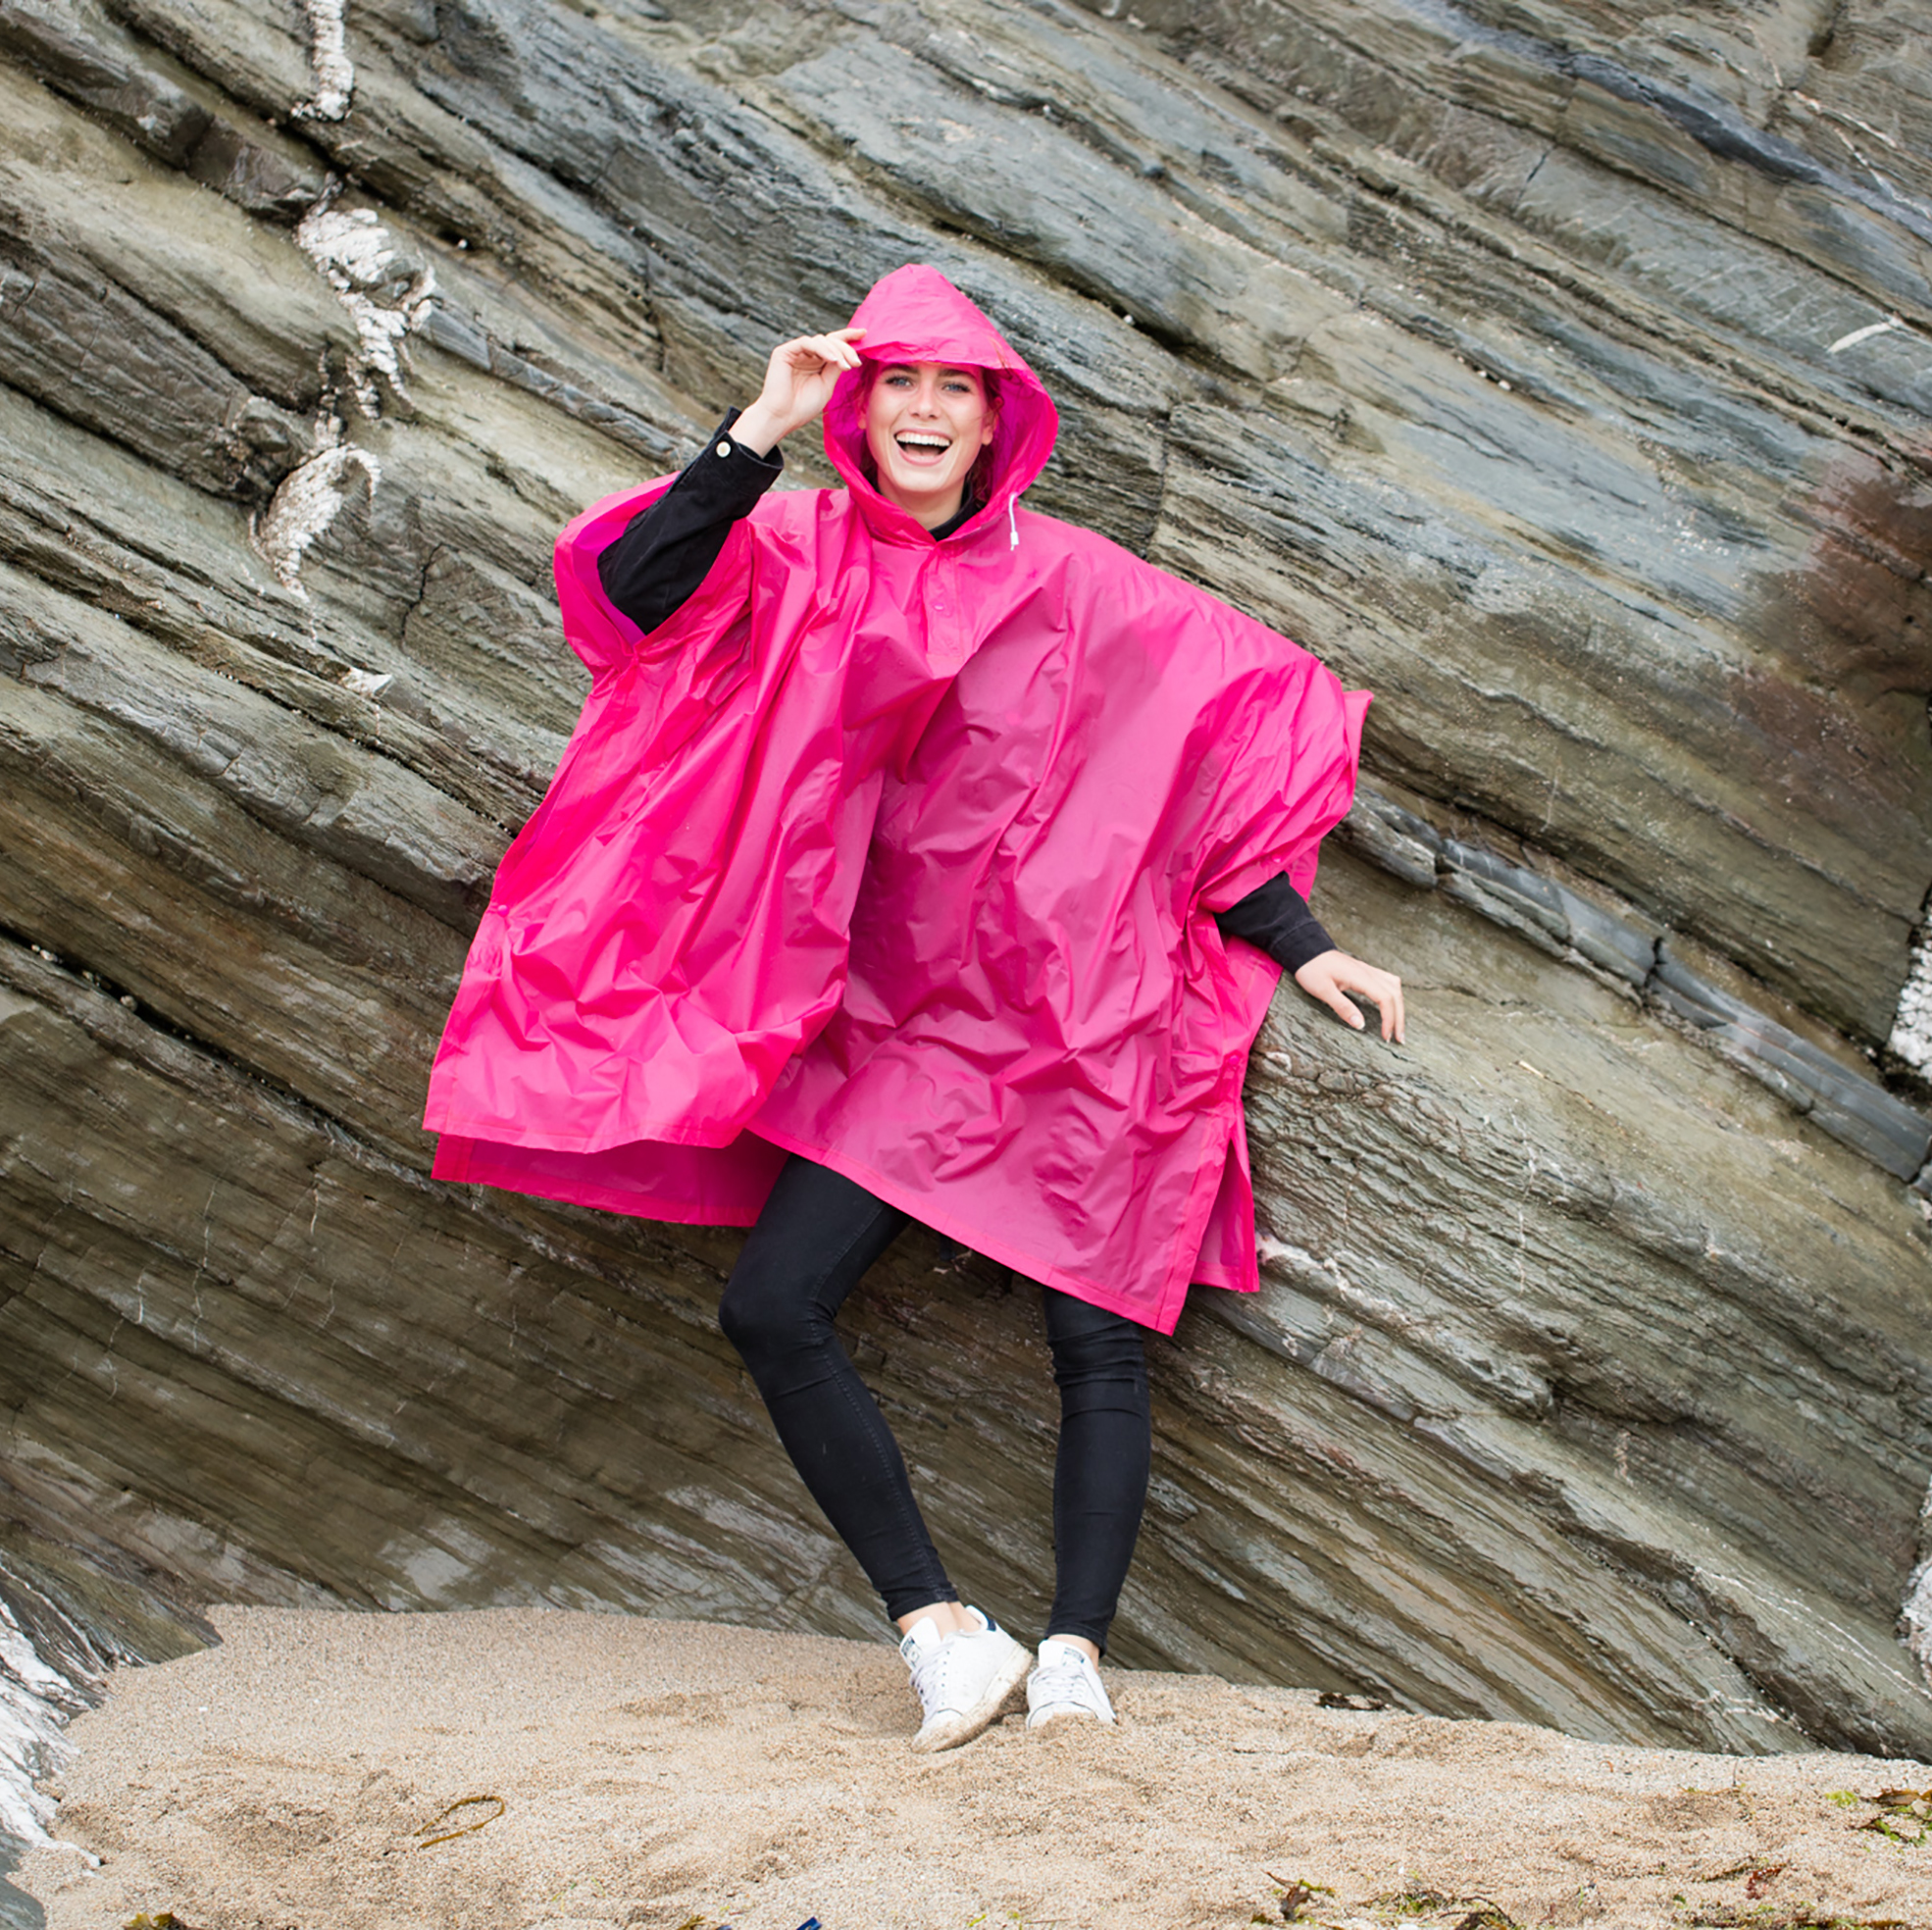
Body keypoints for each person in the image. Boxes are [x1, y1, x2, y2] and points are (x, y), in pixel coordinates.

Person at [427, 264, 1404, 1752]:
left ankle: (1074, 1652)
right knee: (771, 1303)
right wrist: (760, 422)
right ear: (861, 404)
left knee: (1095, 1336)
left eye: (959, 389)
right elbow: (629, 606)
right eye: (904, 385)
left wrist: (1298, 939)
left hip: (1075, 1002)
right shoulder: (796, 540)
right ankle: (942, 1631)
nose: (931, 412)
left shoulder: (1075, 580)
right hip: (892, 1022)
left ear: (999, 418)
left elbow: (1224, 731)